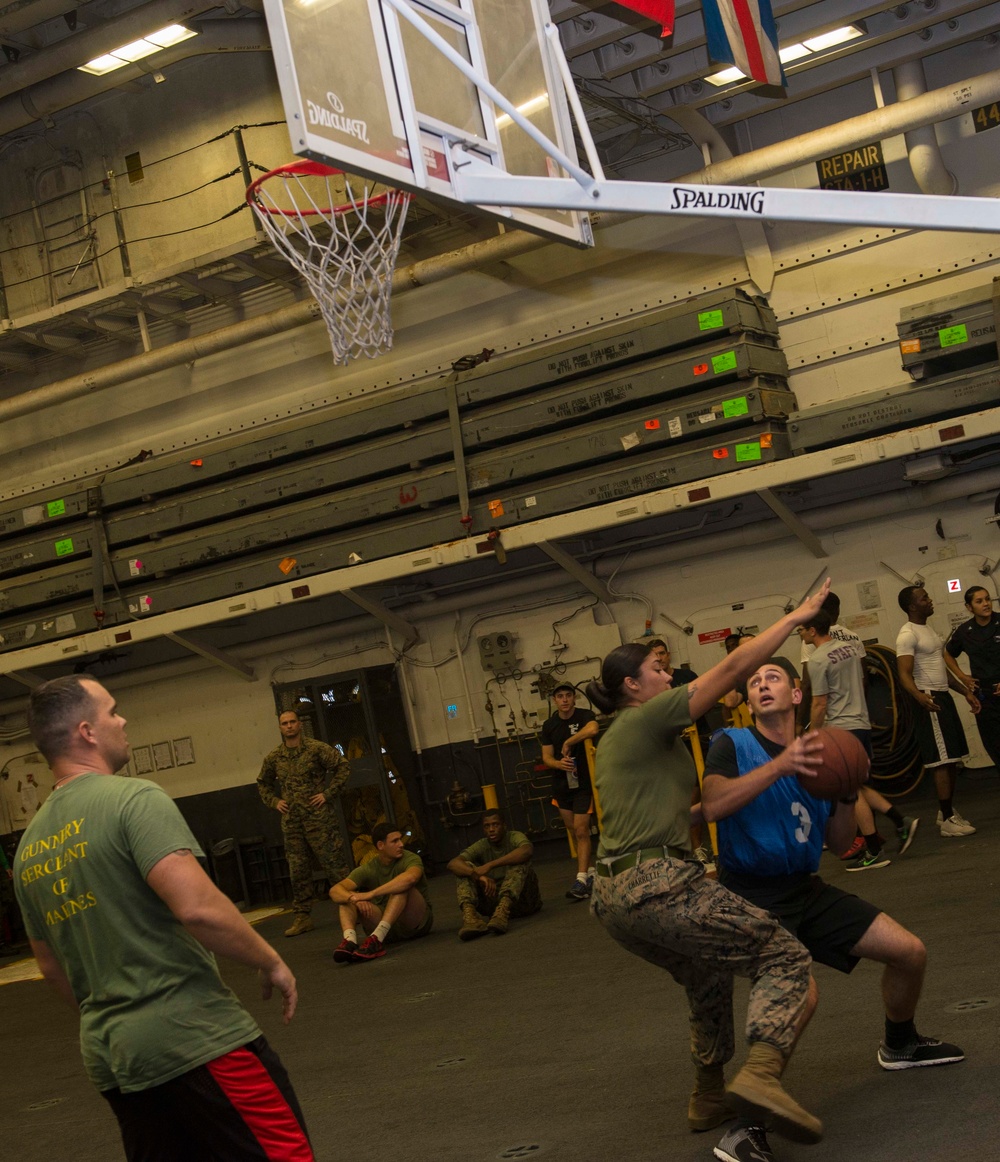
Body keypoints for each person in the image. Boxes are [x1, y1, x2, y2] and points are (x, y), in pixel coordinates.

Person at [14, 675, 313, 1161]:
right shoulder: (133, 799)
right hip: (197, 1040)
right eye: (112, 711)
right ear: (87, 731)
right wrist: (270, 960)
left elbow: (52, 970)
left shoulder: (28, 850)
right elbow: (198, 908)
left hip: (116, 1060)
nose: (123, 719)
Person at [586, 581, 833, 1148]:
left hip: (616, 895)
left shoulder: (644, 740)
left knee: (706, 972)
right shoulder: (644, 719)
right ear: (632, 685)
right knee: (784, 953)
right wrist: (794, 617)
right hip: (656, 884)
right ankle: (762, 1074)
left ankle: (708, 1092)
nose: (669, 676)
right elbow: (733, 669)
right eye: (659, 667)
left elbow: (686, 813)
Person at [702, 661, 964, 1162]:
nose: (761, 684)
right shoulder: (732, 744)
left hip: (805, 888)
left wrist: (846, 793)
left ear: (797, 695)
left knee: (909, 952)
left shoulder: (825, 755)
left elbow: (841, 843)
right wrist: (780, 766)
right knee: (801, 992)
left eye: (773, 678)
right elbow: (713, 807)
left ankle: (901, 1044)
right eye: (755, 681)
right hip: (750, 896)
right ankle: (743, 1127)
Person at [798, 609, 918, 871]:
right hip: (861, 725)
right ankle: (900, 821)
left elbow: (819, 703)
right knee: (858, 786)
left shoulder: (818, 660)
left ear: (812, 631)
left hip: (842, 728)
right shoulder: (851, 648)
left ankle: (875, 848)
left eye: (801, 629)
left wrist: (811, 736)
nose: (799, 633)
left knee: (850, 790)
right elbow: (862, 681)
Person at [256, 709, 351, 936]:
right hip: (292, 822)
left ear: (299, 724)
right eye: (284, 723)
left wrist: (327, 794)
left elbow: (343, 766)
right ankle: (302, 917)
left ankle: (353, 906)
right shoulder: (274, 757)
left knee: (335, 865)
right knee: (298, 870)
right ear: (280, 728)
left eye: (292, 722)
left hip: (319, 818)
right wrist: (274, 801)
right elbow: (263, 783)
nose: (289, 726)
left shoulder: (316, 749)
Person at [895, 586, 979, 837]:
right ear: (912, 606)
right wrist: (920, 696)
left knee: (951, 758)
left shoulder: (928, 630)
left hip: (940, 694)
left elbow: (940, 670)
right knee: (941, 761)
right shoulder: (907, 634)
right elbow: (903, 674)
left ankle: (946, 813)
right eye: (924, 598)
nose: (930, 600)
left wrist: (964, 690)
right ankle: (948, 820)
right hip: (929, 698)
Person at [330, 822, 433, 963]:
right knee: (344, 898)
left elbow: (411, 878)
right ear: (380, 846)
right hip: (387, 926)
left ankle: (376, 939)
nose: (401, 844)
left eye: (400, 839)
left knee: (402, 886)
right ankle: (350, 941)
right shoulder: (369, 867)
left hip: (414, 922)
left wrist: (370, 895)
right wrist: (353, 899)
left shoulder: (411, 858)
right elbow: (335, 890)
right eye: (395, 841)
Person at [539, 684, 599, 900]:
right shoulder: (549, 725)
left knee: (582, 830)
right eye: (560, 696)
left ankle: (581, 879)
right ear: (555, 700)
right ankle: (590, 872)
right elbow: (546, 756)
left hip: (583, 784)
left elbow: (593, 729)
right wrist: (558, 764)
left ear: (574, 698)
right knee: (573, 829)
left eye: (568, 696)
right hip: (561, 785)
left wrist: (569, 741)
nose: (564, 700)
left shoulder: (584, 715)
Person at [447, 809, 541, 939]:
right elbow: (453, 863)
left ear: (504, 825)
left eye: (495, 825)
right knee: (465, 868)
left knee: (520, 862)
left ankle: (503, 910)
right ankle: (471, 918)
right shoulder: (482, 845)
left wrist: (490, 865)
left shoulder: (514, 837)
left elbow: (527, 851)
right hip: (492, 904)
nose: (491, 829)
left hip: (523, 901)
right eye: (487, 826)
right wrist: (477, 875)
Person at [945, 585, 1000, 772]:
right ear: (969, 607)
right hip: (985, 696)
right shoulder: (965, 631)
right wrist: (961, 676)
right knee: (994, 745)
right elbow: (948, 654)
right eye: (979, 601)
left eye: (987, 599)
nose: (986, 604)